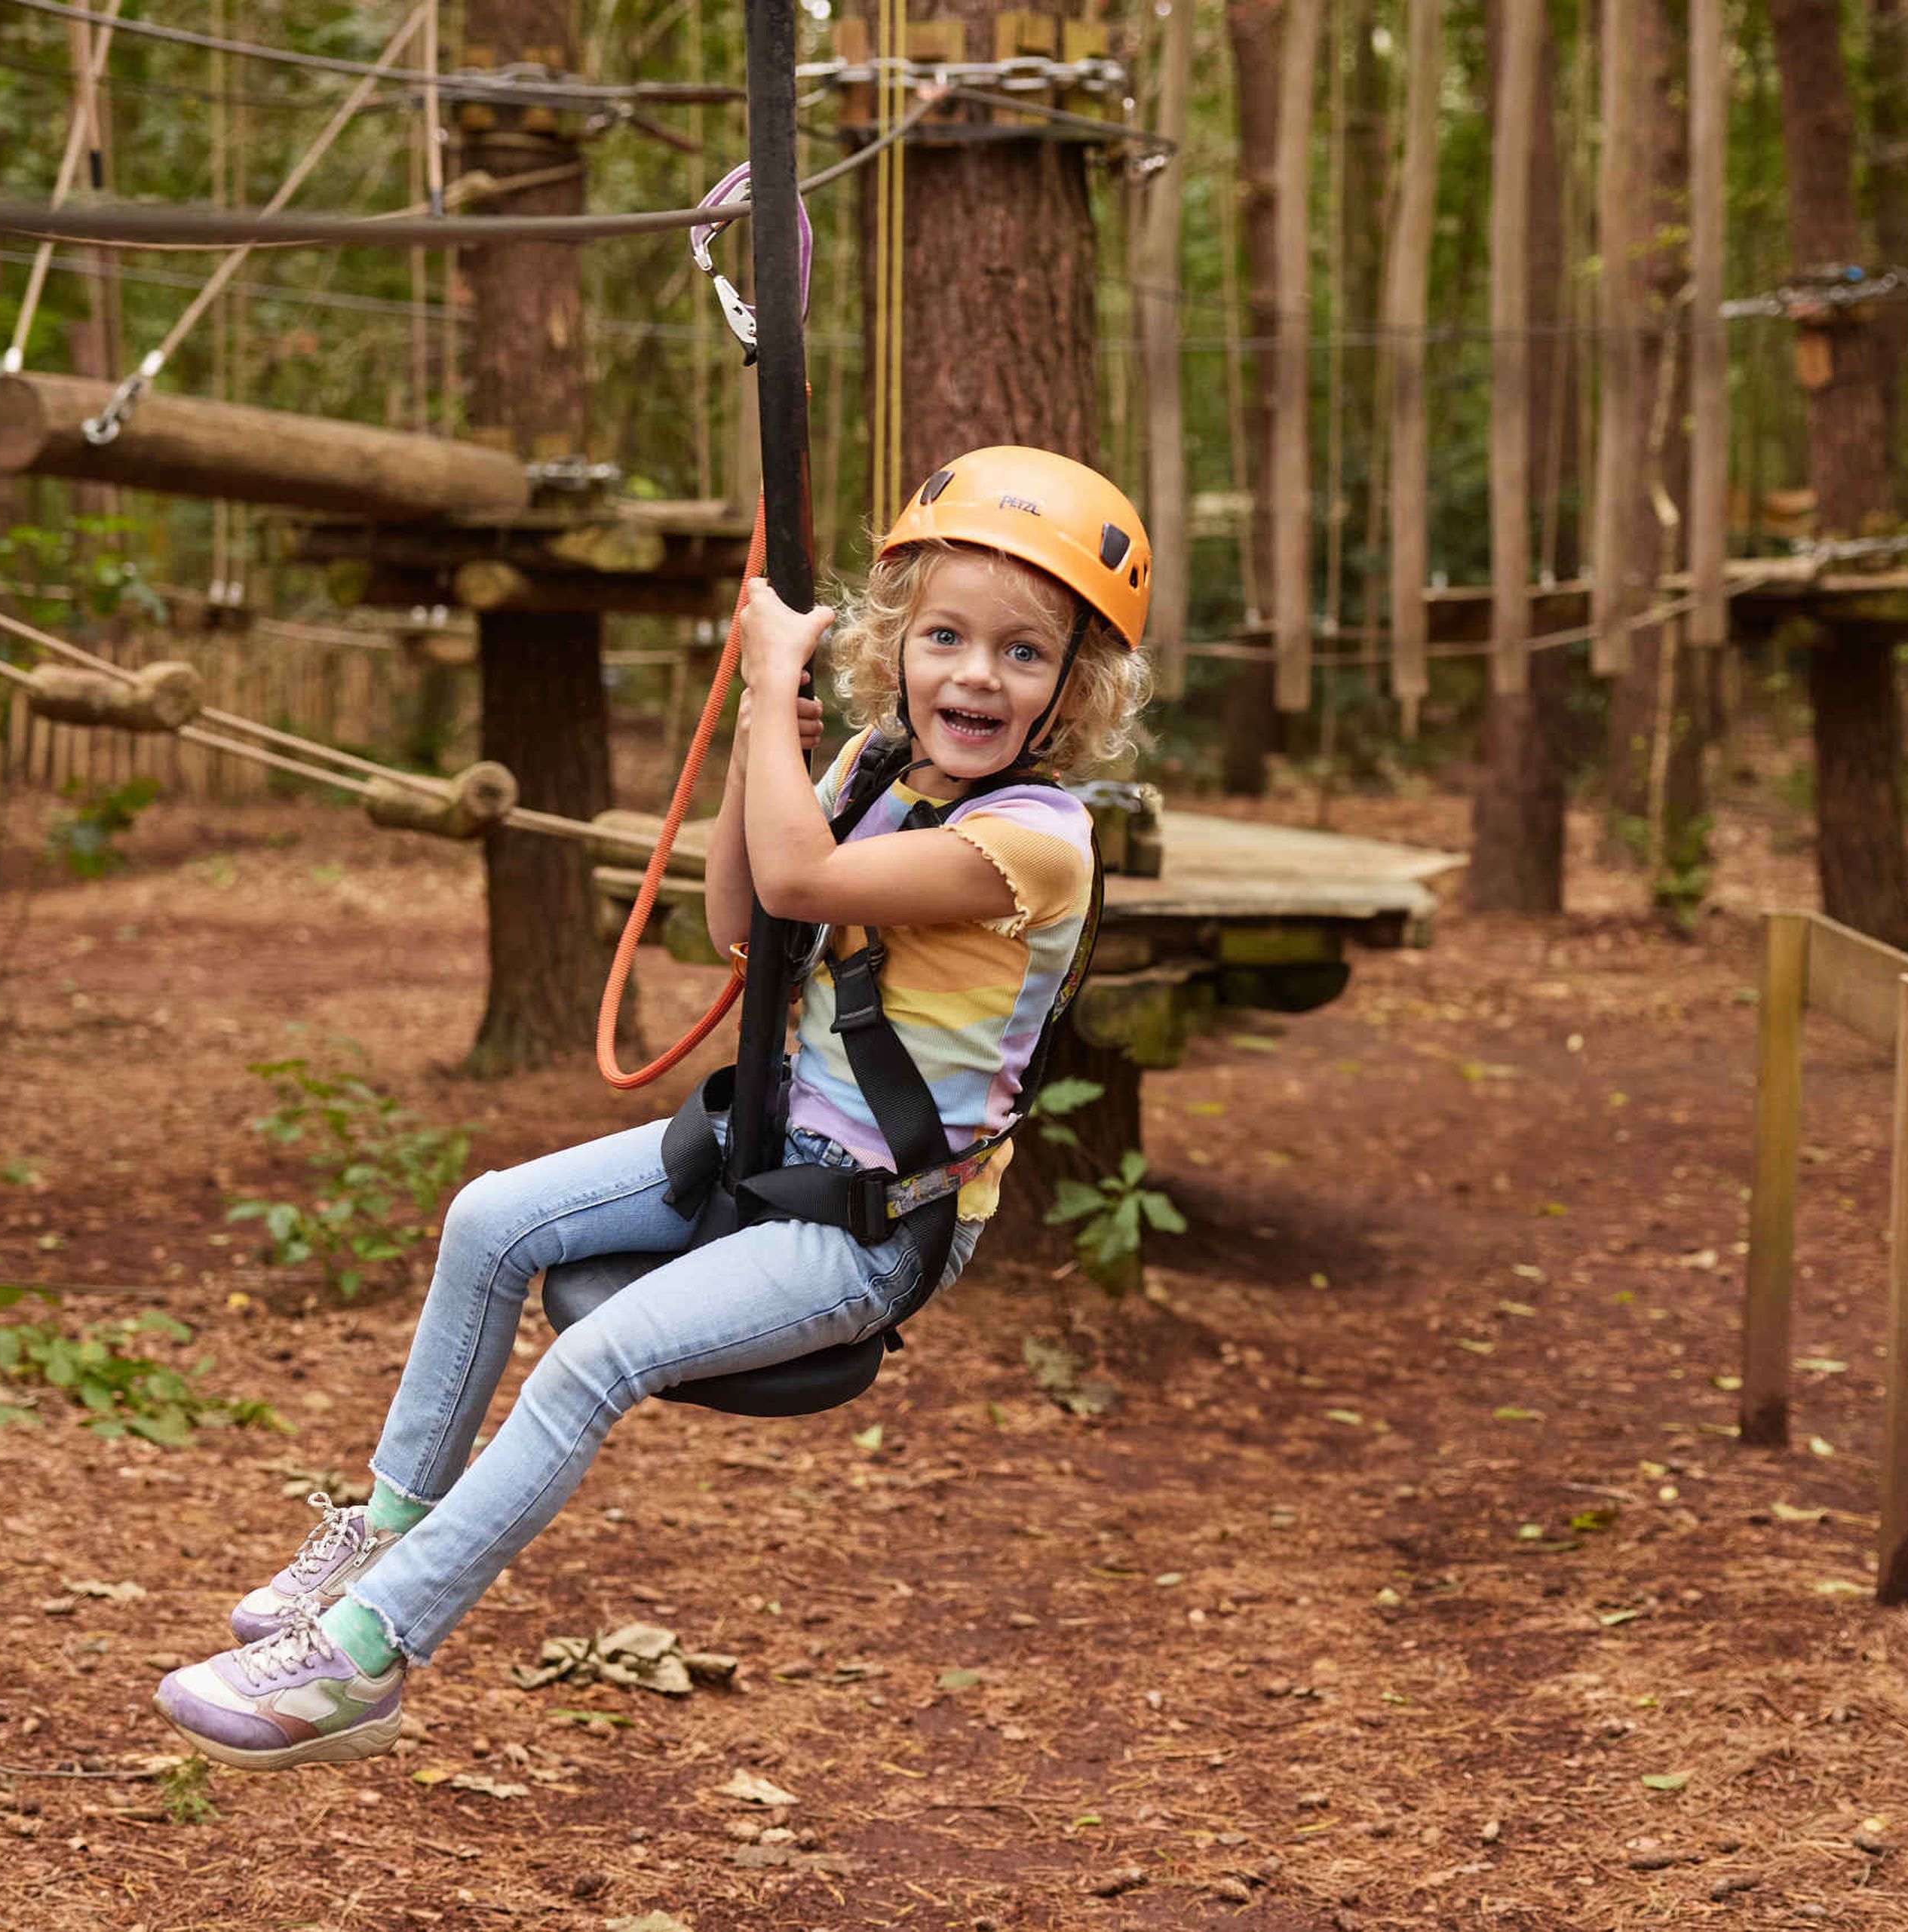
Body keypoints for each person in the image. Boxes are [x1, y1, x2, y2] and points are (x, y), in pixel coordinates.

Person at [152, 448, 1155, 1769]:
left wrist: (764, 683)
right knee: (489, 1217)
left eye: (1023, 655)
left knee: (594, 1354)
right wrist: (775, 737)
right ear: (897, 644)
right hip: (768, 1144)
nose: (976, 674)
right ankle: (385, 1528)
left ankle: (364, 1657)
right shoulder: (868, 766)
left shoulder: (1039, 838)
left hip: (873, 1219)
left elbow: (797, 885)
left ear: (1071, 691)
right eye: (946, 638)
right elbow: (738, 914)